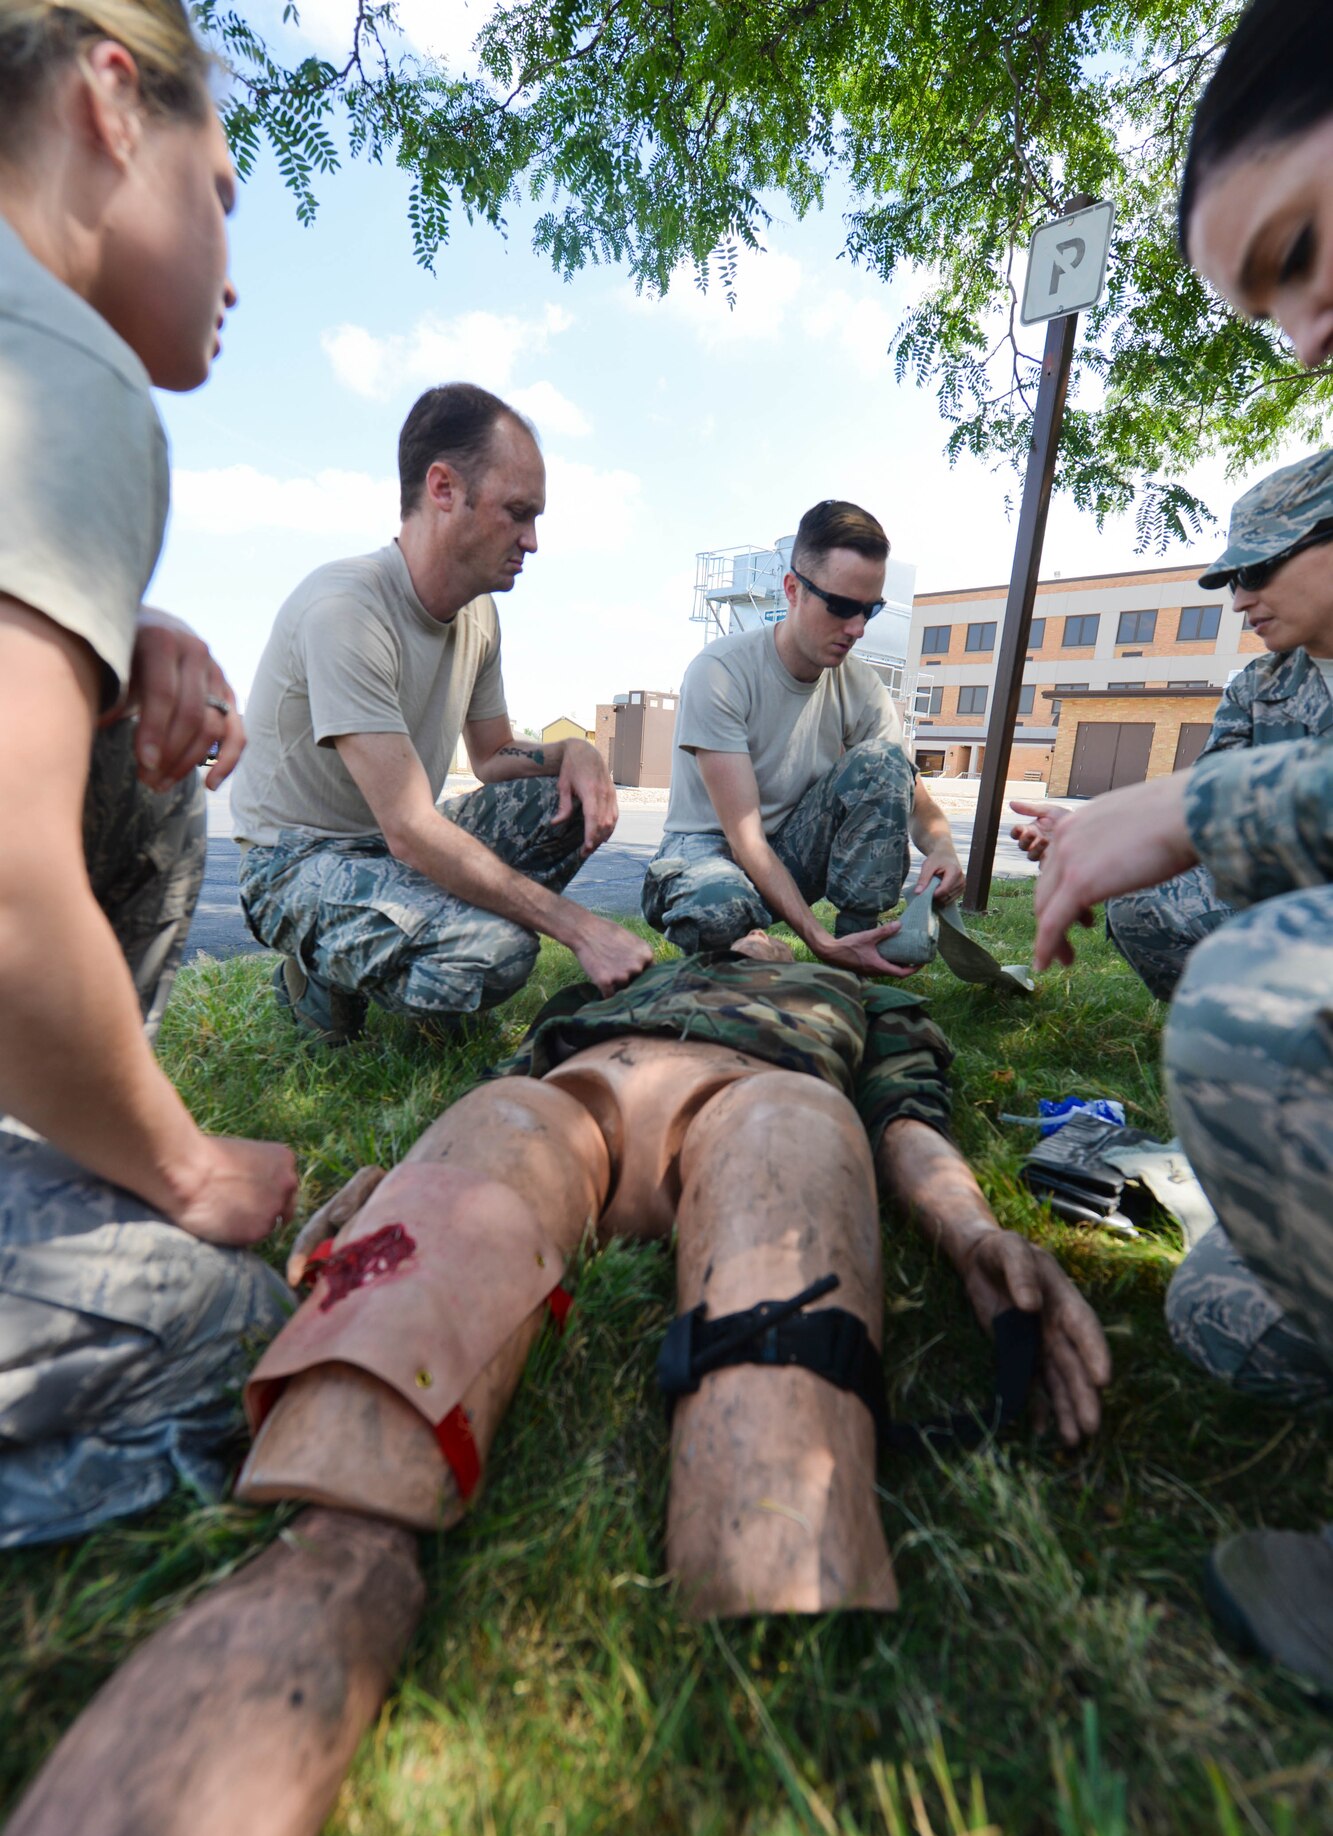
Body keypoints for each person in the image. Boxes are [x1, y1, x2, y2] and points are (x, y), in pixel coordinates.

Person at [0, 951, 1110, 1836]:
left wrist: (968, 1231)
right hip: (555, 1108)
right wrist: (396, 1183)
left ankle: (780, 1813)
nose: (751, 923)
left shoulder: (860, 994)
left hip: (764, 1100)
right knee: (344, 1502)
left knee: (773, 1490)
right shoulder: (621, 970)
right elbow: (499, 1084)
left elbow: (906, 1121)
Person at [1033, 0, 1333, 1692]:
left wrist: (1187, 817)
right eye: (1257, 304)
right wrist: (1116, 827)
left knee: (1245, 1000)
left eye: (1298, 254)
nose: (1298, 340)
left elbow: (1224, 836)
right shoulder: (1267, 682)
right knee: (1212, 1304)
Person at [0, 0, 299, 1549]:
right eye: (223, 193)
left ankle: (54, 1167)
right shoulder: (61, 365)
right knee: (238, 1327)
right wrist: (181, 1172)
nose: (233, 269)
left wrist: (121, 628)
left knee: (149, 767)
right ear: (113, 105)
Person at [229, 383, 652, 1043]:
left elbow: (491, 758)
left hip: (392, 851)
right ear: (443, 488)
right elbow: (409, 828)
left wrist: (570, 754)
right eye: (517, 512)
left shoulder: (478, 614)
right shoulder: (346, 610)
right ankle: (319, 976)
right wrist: (579, 928)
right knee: (499, 952)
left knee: (556, 802)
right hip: (296, 861)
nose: (532, 540)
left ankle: (419, 951)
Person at [1011, 453, 1333, 1000]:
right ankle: (1252, 1038)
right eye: (1233, 580)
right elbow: (1211, 816)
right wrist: (1104, 826)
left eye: (1255, 570)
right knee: (1145, 901)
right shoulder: (1258, 685)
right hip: (1294, 898)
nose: (1238, 601)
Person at [642, 500, 964, 977]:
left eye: (869, 610)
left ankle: (865, 943)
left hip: (789, 853)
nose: (856, 629)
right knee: (718, 911)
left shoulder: (861, 687)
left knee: (883, 762)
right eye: (840, 607)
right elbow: (745, 838)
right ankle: (756, 947)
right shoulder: (721, 672)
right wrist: (818, 940)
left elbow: (915, 799)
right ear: (793, 589)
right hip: (709, 853)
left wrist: (942, 848)